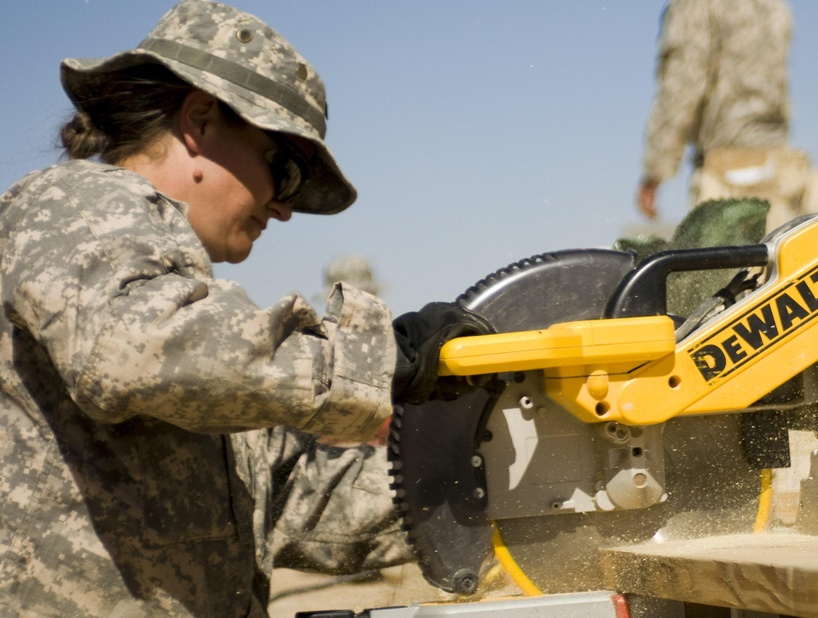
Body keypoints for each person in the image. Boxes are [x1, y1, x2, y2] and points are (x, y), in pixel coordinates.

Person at [0, 1, 490, 616]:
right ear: (200, 119)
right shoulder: (71, 201)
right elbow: (134, 348)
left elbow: (301, 500)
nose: (282, 208)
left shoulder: (201, 331)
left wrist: (499, 483)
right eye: (282, 170)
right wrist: (387, 355)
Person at [636, 0, 818, 232]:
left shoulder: (696, 5)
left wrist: (655, 171)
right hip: (780, 173)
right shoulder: (773, 5)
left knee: (720, 265)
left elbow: (682, 86)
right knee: (782, 264)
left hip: (724, 178)